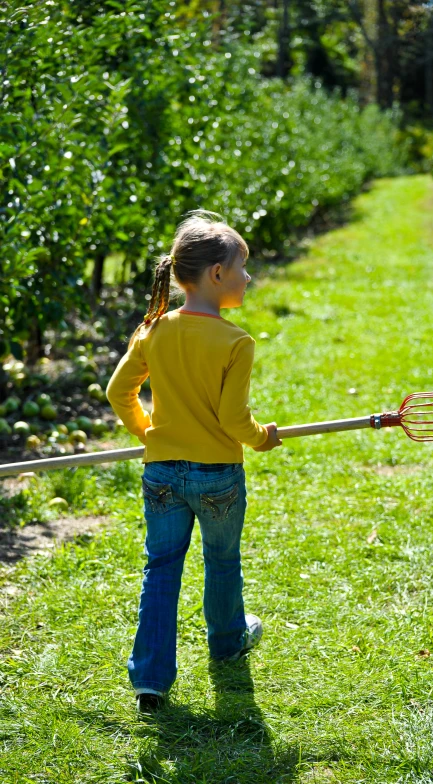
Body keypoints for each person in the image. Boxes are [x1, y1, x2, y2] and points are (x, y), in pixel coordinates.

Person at [106, 210, 282, 714]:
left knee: (161, 567)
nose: (248, 277)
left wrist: (149, 434)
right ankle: (228, 642)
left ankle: (150, 682)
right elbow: (233, 421)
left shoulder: (154, 329)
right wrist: (260, 439)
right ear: (217, 274)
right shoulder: (235, 341)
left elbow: (121, 392)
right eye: (242, 267)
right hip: (217, 477)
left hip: (161, 472)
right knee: (222, 560)